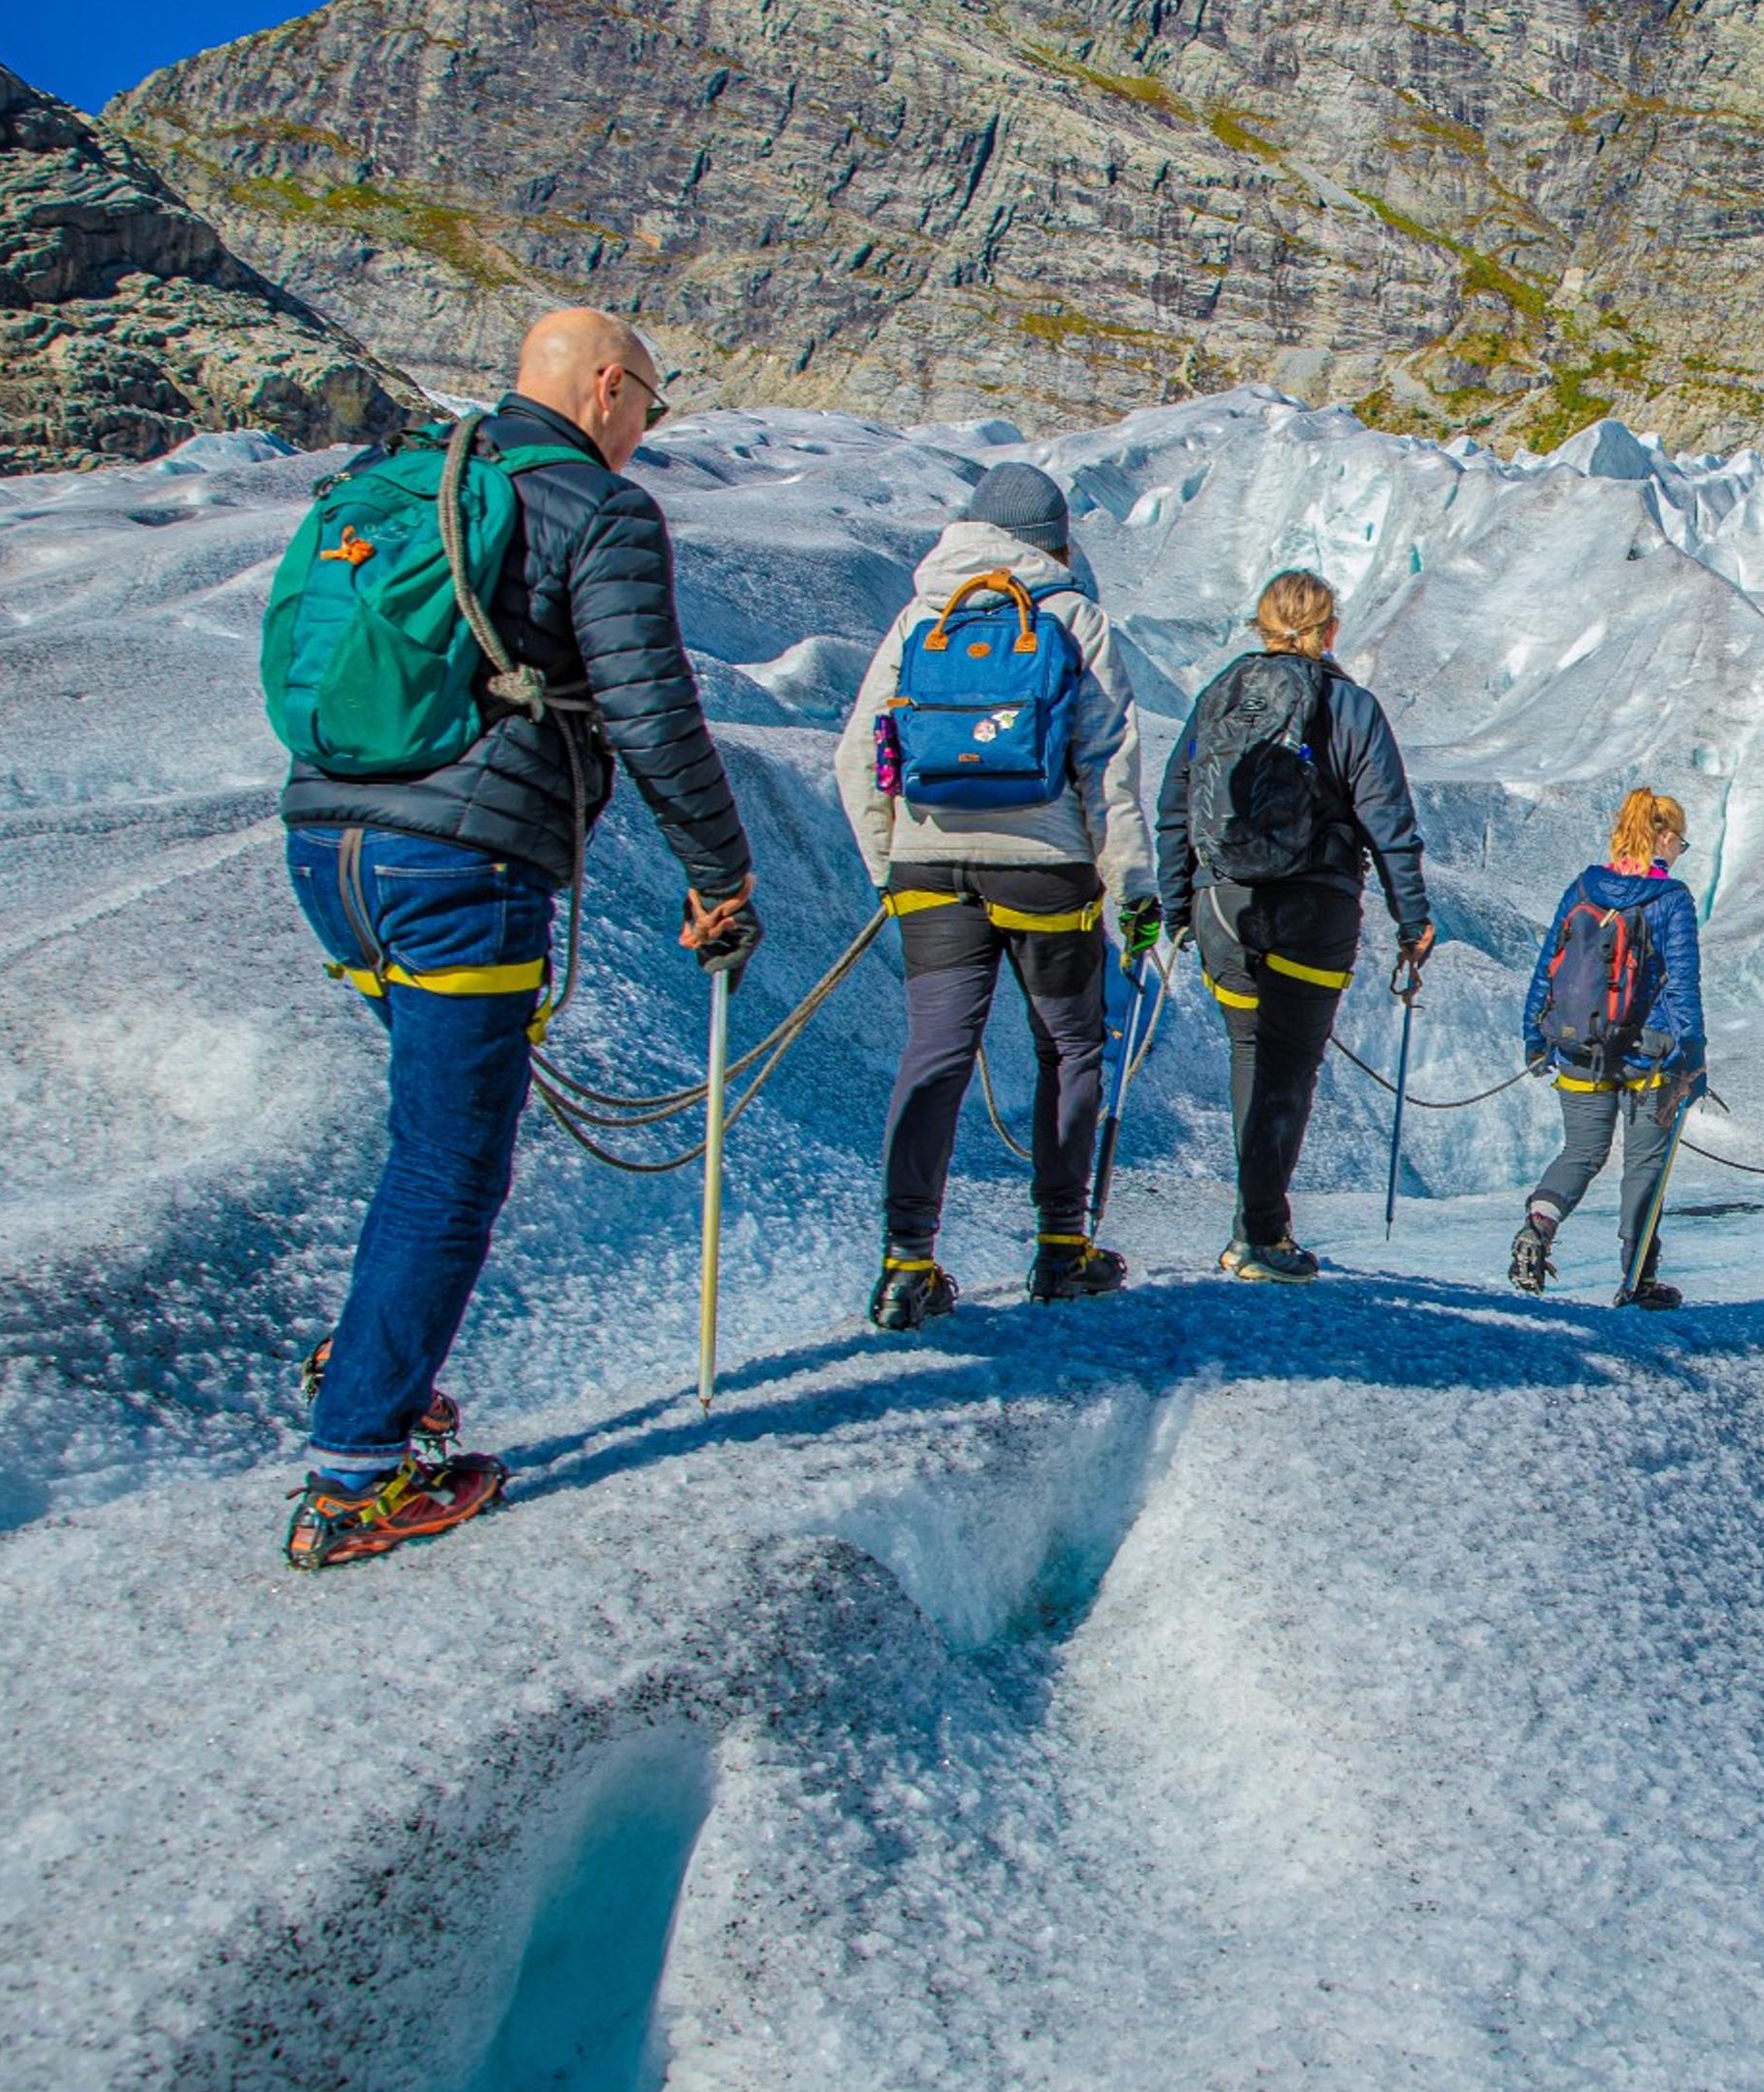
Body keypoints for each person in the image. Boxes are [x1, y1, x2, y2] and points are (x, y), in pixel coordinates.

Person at [277, 308, 758, 1569]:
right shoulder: (598, 510)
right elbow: (653, 715)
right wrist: (720, 875)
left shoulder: (411, 478)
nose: (645, 430)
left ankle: (374, 1354)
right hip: (461, 868)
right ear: (607, 387)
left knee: (427, 1134)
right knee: (450, 1165)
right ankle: (357, 1471)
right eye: (648, 403)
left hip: (328, 848)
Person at [835, 462, 1159, 1328]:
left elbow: (858, 754)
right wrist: (1132, 890)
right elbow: (1107, 769)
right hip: (1044, 867)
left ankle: (906, 1263)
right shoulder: (1074, 618)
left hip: (928, 866)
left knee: (935, 1053)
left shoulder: (921, 614)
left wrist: (889, 863)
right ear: (1054, 542)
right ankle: (1061, 1249)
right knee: (1070, 1046)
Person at [1149, 569, 1433, 1280]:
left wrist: (1178, 902)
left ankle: (1252, 1226)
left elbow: (1177, 802)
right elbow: (1388, 821)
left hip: (1224, 906)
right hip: (1313, 908)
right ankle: (1262, 1235)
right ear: (1330, 629)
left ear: (1262, 624)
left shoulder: (1221, 696)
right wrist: (1412, 918)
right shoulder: (1351, 706)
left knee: (1250, 1055)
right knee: (1290, 1067)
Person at [1511, 788, 1707, 1310]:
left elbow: (1548, 964)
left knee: (1581, 1152)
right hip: (1650, 1059)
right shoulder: (1671, 898)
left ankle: (1538, 1227)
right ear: (1663, 838)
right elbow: (1682, 986)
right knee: (1644, 1166)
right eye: (1681, 842)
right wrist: (1694, 1058)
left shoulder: (1584, 886)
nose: (1680, 851)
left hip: (1579, 1048)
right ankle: (1638, 1280)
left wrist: (1535, 1035)